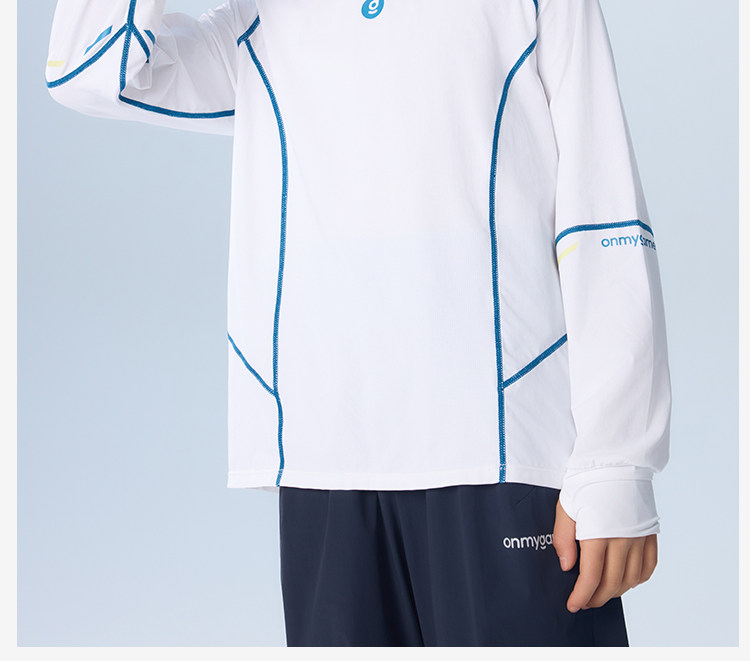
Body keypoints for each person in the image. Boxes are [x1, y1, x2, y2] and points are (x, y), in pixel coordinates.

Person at [45, 0, 672, 647]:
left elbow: (603, 213)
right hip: (325, 460)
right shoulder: (264, 16)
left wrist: (617, 459)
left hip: (501, 450)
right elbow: (90, 69)